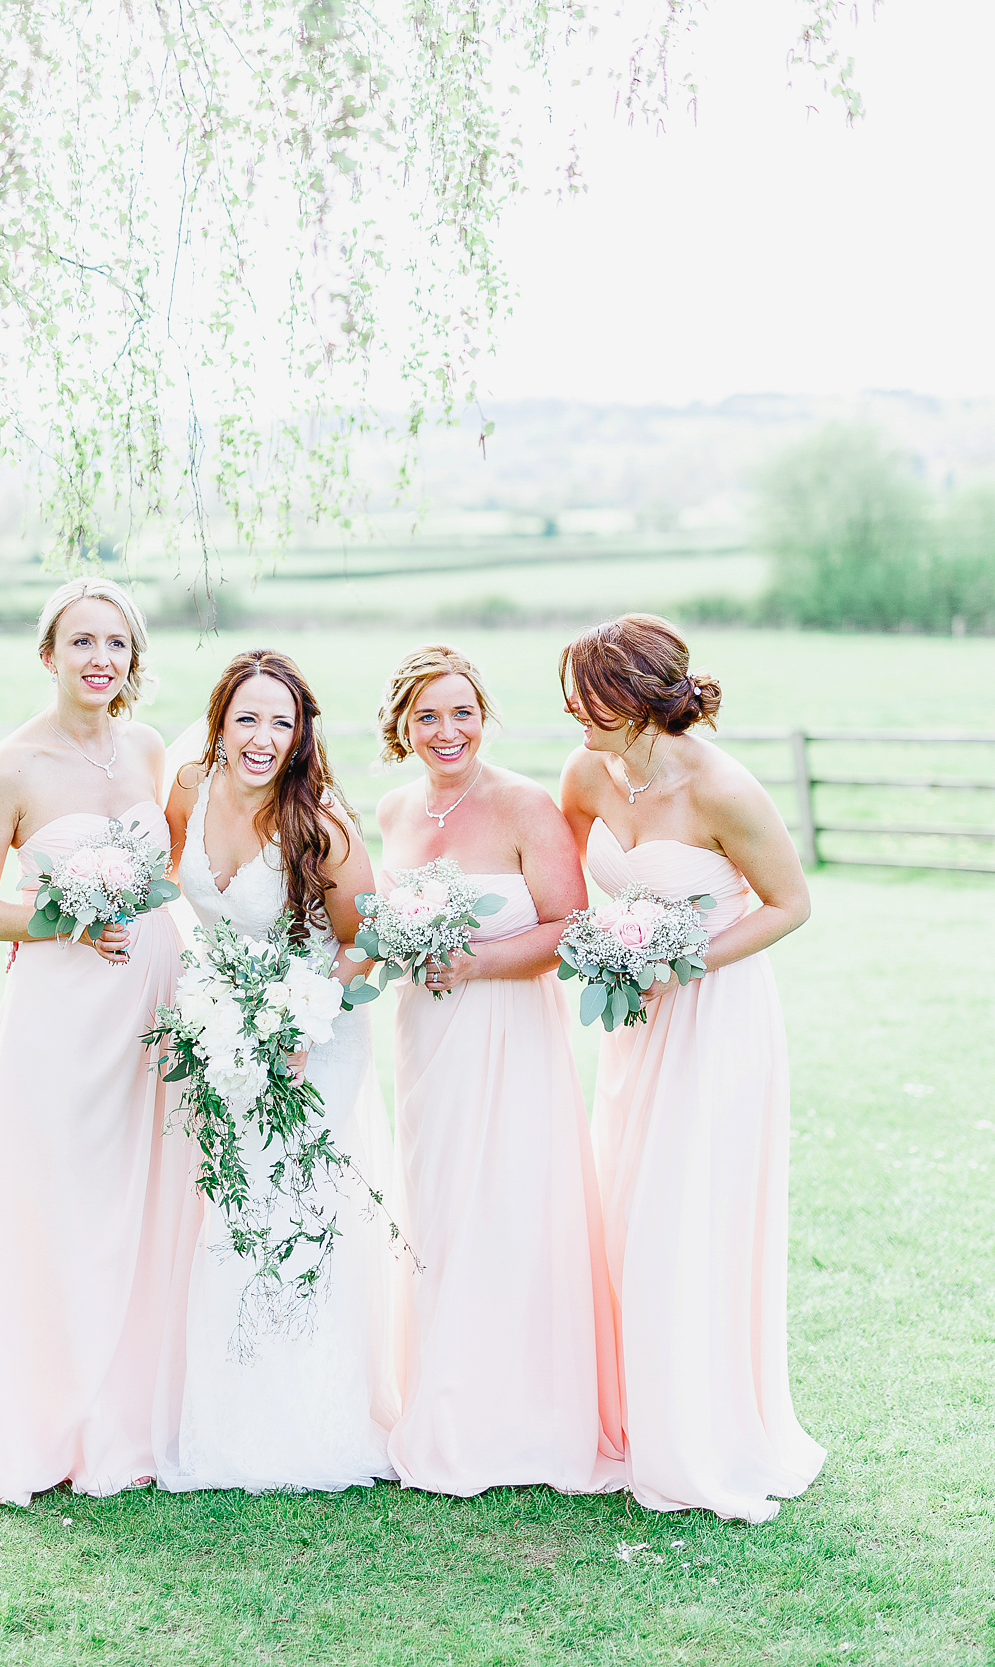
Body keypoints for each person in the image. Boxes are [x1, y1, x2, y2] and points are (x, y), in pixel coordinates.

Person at [560, 612, 826, 1524]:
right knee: (626, 1208)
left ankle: (703, 1432)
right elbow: (566, 875)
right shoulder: (587, 772)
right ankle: (632, 1417)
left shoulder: (724, 788)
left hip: (714, 1019)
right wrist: (605, 946)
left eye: (590, 698)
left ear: (639, 699)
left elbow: (790, 904)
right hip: (632, 1024)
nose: (575, 715)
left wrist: (682, 961)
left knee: (689, 1215)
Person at [0, 578, 185, 1505]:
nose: (100, 660)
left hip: (151, 994)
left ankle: (134, 1415)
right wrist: (61, 920)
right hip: (60, 1011)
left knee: (147, 1197)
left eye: (116, 643)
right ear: (49, 656)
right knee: (60, 1201)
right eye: (81, 642)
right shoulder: (12, 767)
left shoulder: (150, 749)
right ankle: (48, 1424)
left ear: (132, 656)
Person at [375, 644, 625, 1497]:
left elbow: (567, 928)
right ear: (402, 725)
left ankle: (523, 1418)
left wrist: (476, 963)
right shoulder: (393, 811)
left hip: (511, 1034)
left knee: (513, 1206)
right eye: (428, 716)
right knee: (440, 1205)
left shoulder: (524, 805)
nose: (448, 731)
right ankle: (443, 1401)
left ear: (484, 717)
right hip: (425, 1039)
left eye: (463, 713)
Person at [153, 648, 399, 1493]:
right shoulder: (187, 787)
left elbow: (366, 942)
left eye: (282, 724)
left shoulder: (317, 824)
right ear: (220, 720)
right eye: (247, 718)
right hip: (225, 1032)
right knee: (233, 1213)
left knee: (298, 1209)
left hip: (311, 1041)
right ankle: (230, 1418)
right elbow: (160, 882)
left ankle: (310, 1422)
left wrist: (302, 1016)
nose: (263, 738)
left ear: (301, 738)